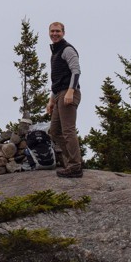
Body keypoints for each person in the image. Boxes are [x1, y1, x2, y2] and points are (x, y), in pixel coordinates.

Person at [46, 21, 83, 178]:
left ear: (63, 32)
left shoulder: (67, 49)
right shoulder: (55, 53)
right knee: (54, 131)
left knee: (68, 130)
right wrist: (51, 100)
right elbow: (58, 80)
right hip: (59, 94)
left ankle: (75, 165)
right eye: (52, 31)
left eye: (58, 31)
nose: (55, 34)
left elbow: (76, 71)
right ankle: (74, 161)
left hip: (69, 93)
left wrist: (70, 91)